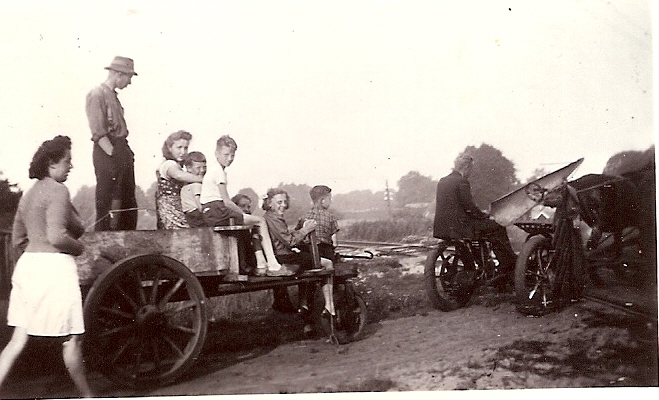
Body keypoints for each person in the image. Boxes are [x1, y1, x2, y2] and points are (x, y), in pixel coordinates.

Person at [0, 136, 93, 397]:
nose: (71, 167)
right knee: (72, 339)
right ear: (52, 163)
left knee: (18, 340)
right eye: (68, 161)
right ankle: (89, 397)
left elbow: (18, 240)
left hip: (29, 266)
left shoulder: (30, 193)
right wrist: (80, 248)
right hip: (53, 268)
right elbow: (57, 237)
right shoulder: (58, 190)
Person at [200, 135, 283, 275]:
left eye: (232, 155)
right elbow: (226, 201)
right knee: (260, 221)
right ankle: (272, 262)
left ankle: (262, 261)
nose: (229, 158)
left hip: (210, 211)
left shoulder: (214, 171)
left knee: (254, 223)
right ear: (216, 154)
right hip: (217, 210)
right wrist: (242, 214)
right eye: (226, 155)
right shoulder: (219, 172)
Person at [433, 154, 517, 273]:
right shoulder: (462, 181)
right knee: (497, 227)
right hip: (461, 226)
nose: (471, 173)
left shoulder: (442, 181)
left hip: (443, 227)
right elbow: (469, 206)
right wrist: (484, 215)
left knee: (481, 231)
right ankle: (507, 264)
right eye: (471, 169)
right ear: (466, 167)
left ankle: (482, 264)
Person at [85, 56, 138, 231]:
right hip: (108, 149)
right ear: (118, 74)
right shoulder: (97, 94)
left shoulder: (113, 96)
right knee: (109, 199)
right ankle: (104, 239)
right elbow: (98, 132)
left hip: (120, 148)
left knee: (127, 199)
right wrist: (114, 156)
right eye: (128, 77)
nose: (129, 83)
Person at [263, 188, 335, 317]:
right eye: (279, 202)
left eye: (285, 202)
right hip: (284, 257)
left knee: (306, 263)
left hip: (281, 255)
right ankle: (330, 307)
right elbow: (290, 242)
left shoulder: (270, 217)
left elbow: (286, 237)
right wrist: (306, 230)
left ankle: (304, 304)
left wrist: (300, 230)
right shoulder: (274, 219)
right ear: (269, 203)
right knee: (327, 263)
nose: (283, 205)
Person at [156, 130, 203, 229]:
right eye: (179, 148)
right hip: (170, 211)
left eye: (185, 148)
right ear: (169, 148)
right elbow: (178, 175)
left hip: (179, 208)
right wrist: (204, 180)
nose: (183, 152)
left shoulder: (178, 165)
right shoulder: (168, 164)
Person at [296, 185, 340, 261]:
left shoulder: (303, 217)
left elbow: (297, 234)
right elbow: (334, 243)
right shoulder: (330, 217)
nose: (331, 201)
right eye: (329, 199)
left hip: (308, 251)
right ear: (323, 201)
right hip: (324, 251)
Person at [181, 151, 208, 228]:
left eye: (204, 167)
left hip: (189, 215)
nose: (202, 170)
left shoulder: (186, 184)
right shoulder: (196, 184)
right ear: (189, 168)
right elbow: (199, 203)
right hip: (196, 214)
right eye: (198, 168)